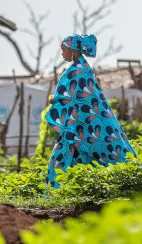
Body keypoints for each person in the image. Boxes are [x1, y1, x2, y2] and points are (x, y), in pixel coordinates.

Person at [46, 34, 136, 188]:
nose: (62, 54)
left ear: (73, 50)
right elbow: (76, 96)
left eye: (64, 50)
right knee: (76, 158)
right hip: (78, 125)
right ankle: (72, 191)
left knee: (64, 158)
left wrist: (57, 99)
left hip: (84, 125)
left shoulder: (80, 71)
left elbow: (82, 98)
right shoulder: (81, 68)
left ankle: (59, 192)